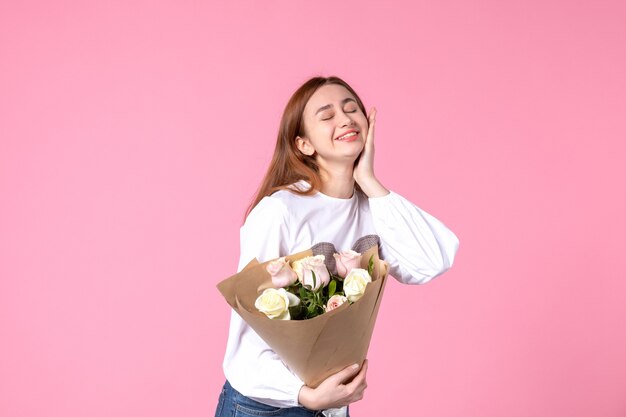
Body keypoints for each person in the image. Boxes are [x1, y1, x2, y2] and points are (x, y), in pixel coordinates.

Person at [215, 76, 459, 417]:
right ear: (303, 145)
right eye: (326, 115)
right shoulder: (280, 211)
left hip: (332, 406)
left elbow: (433, 260)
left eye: (351, 108)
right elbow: (245, 340)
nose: (345, 119)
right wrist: (303, 396)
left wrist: (370, 182)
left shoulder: (376, 208)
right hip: (265, 406)